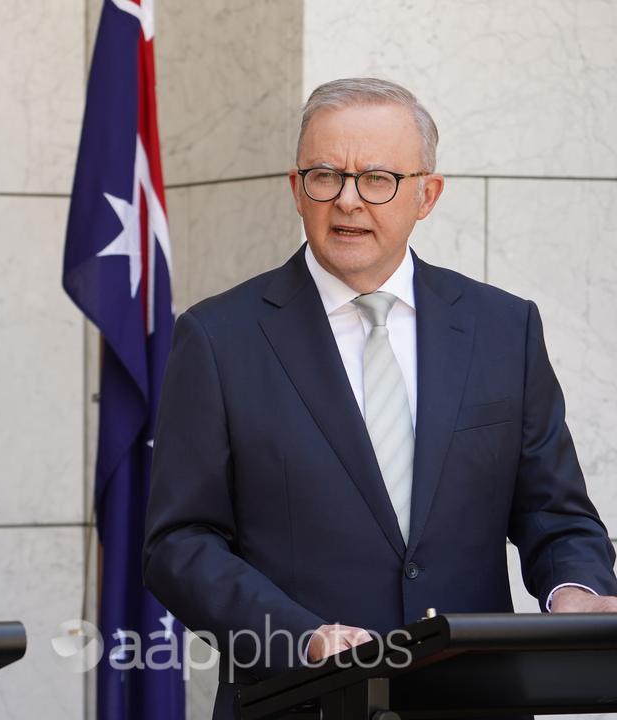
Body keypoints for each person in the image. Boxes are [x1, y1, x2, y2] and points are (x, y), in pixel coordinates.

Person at [143, 77, 617, 718]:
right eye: (324, 176)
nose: (348, 201)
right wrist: (302, 639)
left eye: (377, 179)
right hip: (300, 701)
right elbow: (180, 544)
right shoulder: (218, 338)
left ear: (428, 194)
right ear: (295, 188)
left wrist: (577, 591)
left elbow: (555, 513)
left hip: (475, 700)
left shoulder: (503, 328)